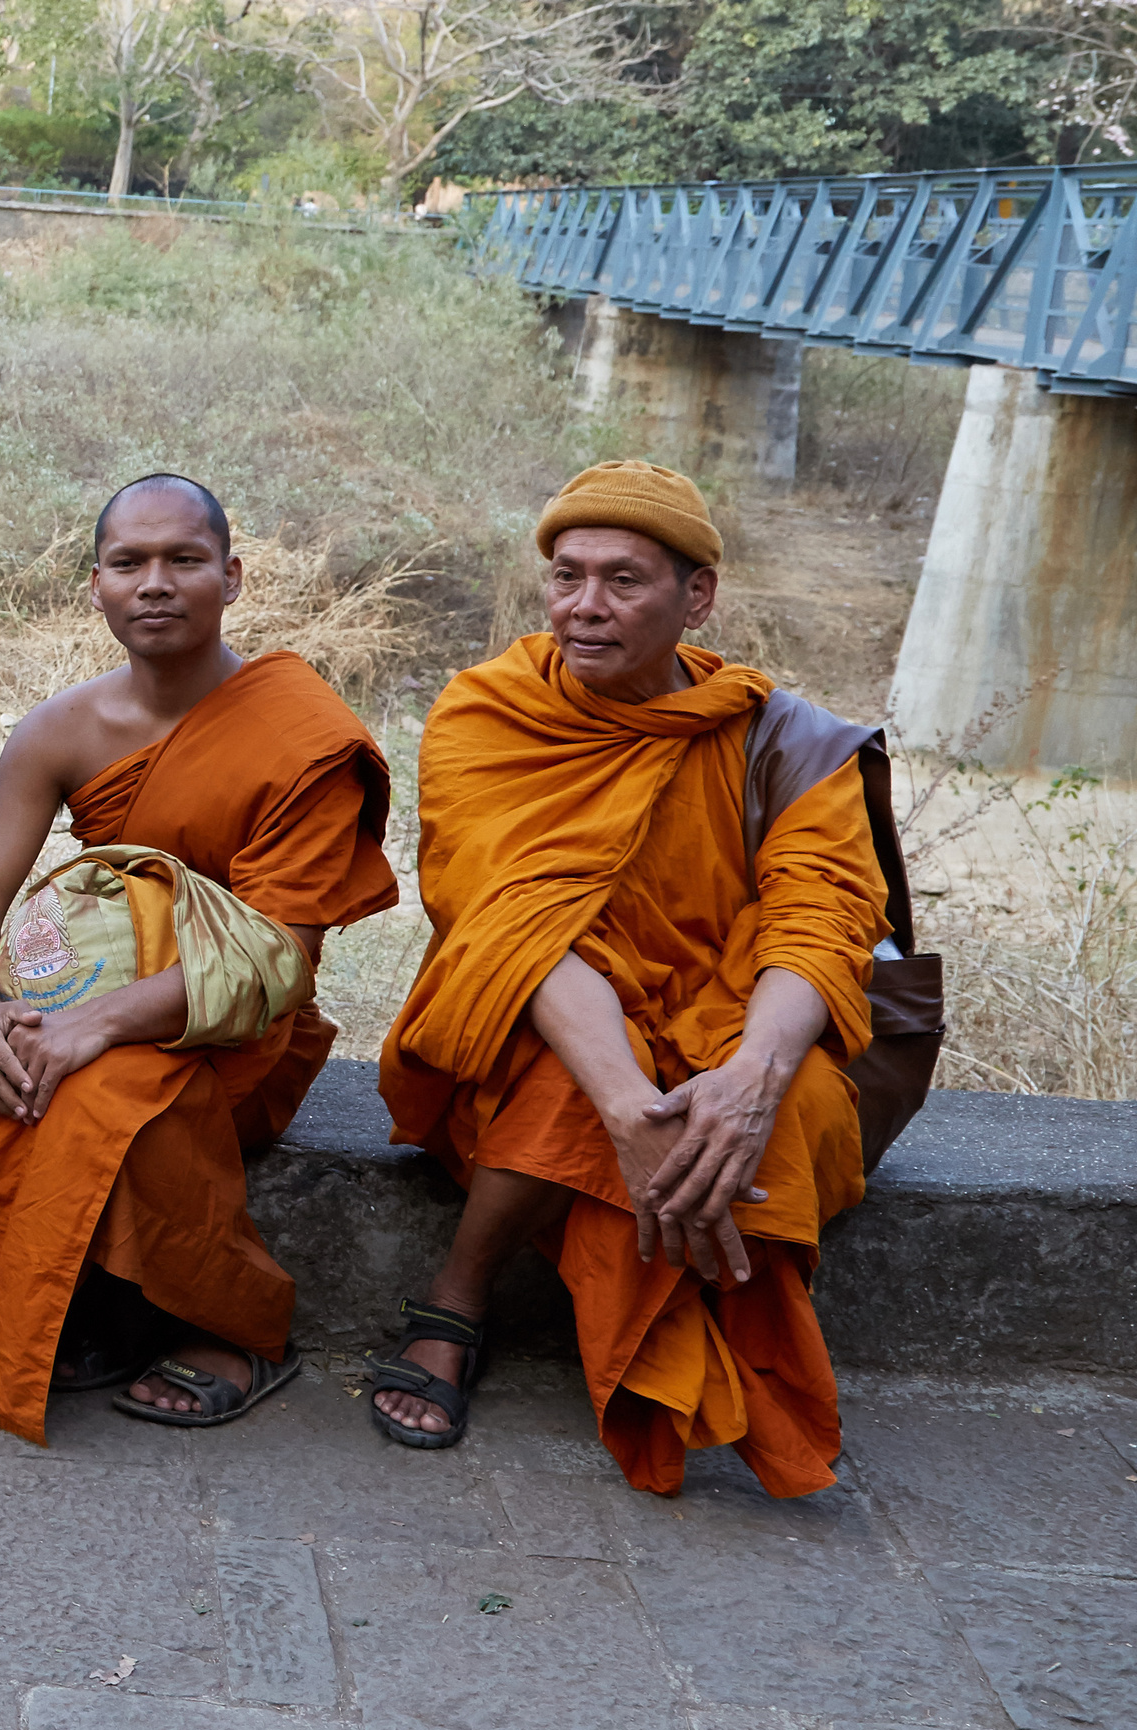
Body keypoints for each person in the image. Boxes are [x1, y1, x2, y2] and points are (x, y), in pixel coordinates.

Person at [372, 460, 889, 1499]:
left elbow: (822, 915)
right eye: (566, 577)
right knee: (568, 1085)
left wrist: (750, 1076)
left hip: (734, 1024)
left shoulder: (783, 742)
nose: (584, 608)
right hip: (545, 1014)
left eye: (623, 581)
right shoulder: (490, 715)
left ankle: (714, 1352)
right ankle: (459, 1296)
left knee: (778, 1111)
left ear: (696, 596)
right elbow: (507, 920)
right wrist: (625, 1105)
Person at [0, 474, 398, 1441]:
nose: (156, 584)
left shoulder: (301, 736)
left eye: (184, 560)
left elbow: (279, 962)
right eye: (129, 563)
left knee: (108, 1088)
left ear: (231, 577)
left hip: (234, 1032)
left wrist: (89, 1027)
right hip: (85, 997)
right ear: (94, 585)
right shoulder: (62, 730)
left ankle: (237, 1325)